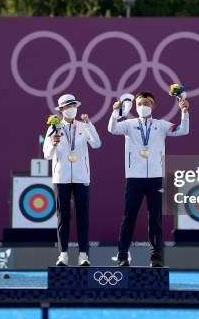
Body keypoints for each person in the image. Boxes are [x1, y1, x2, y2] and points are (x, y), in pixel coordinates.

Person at [108, 91, 189, 267]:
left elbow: (183, 130)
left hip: (155, 178)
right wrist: (115, 112)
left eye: (147, 103)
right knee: (129, 217)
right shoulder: (128, 124)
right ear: (135, 107)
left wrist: (184, 112)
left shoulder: (161, 125)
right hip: (134, 178)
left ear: (153, 105)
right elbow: (112, 129)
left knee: (155, 218)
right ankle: (122, 256)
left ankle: (156, 258)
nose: (143, 106)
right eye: (140, 103)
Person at [43, 94, 101, 266]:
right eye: (67, 106)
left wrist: (90, 124)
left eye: (73, 105)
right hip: (61, 177)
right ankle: (63, 255)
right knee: (63, 216)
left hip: (81, 176)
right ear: (61, 110)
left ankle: (83, 255)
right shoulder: (54, 127)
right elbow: (47, 155)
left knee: (83, 216)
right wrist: (54, 143)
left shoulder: (84, 126)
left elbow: (97, 144)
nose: (71, 109)